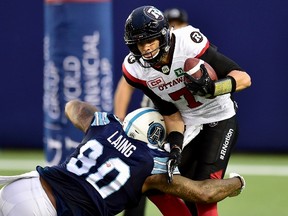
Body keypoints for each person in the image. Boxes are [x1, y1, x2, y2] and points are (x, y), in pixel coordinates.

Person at [114, 5, 252, 216]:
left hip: (219, 117)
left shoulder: (188, 42)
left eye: (150, 40)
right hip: (187, 121)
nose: (146, 48)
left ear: (163, 36)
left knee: (203, 193)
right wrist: (176, 146)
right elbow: (170, 113)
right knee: (154, 180)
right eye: (140, 43)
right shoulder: (135, 70)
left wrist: (214, 88)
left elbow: (244, 78)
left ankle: (235, 184)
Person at [0, 100, 245, 216]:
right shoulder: (153, 166)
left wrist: (107, 124)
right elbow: (204, 193)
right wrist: (238, 183)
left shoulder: (104, 126)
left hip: (21, 186)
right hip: (45, 210)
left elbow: (73, 106)